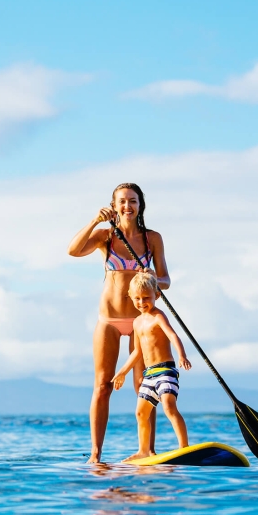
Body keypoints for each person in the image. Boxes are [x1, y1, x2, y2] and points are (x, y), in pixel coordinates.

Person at [67, 183, 171, 463]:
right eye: (122, 201)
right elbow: (73, 251)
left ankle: (147, 451)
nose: (128, 206)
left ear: (140, 205)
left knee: (144, 385)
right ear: (114, 206)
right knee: (103, 385)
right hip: (110, 320)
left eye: (133, 201)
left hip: (142, 321)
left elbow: (166, 281)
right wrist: (94, 221)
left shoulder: (153, 239)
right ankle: (96, 454)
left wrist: (153, 278)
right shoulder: (106, 236)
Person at [112, 272, 191, 460]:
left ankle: (184, 447)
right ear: (131, 297)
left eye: (146, 297)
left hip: (165, 370)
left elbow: (173, 335)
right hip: (149, 375)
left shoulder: (158, 316)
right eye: (137, 298)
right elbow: (136, 352)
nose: (141, 302)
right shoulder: (137, 322)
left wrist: (181, 355)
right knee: (140, 413)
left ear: (157, 295)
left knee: (169, 406)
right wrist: (122, 372)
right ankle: (143, 450)